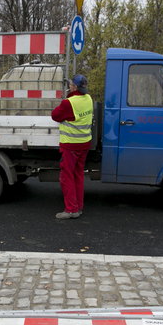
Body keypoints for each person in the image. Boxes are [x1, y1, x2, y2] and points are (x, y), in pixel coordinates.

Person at [51, 74, 93, 219]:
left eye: (70, 84)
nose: (69, 86)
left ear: (74, 87)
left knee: (66, 177)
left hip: (71, 145)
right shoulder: (89, 99)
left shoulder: (69, 103)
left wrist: (66, 100)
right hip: (84, 143)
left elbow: (55, 115)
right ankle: (78, 207)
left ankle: (70, 210)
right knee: (78, 175)